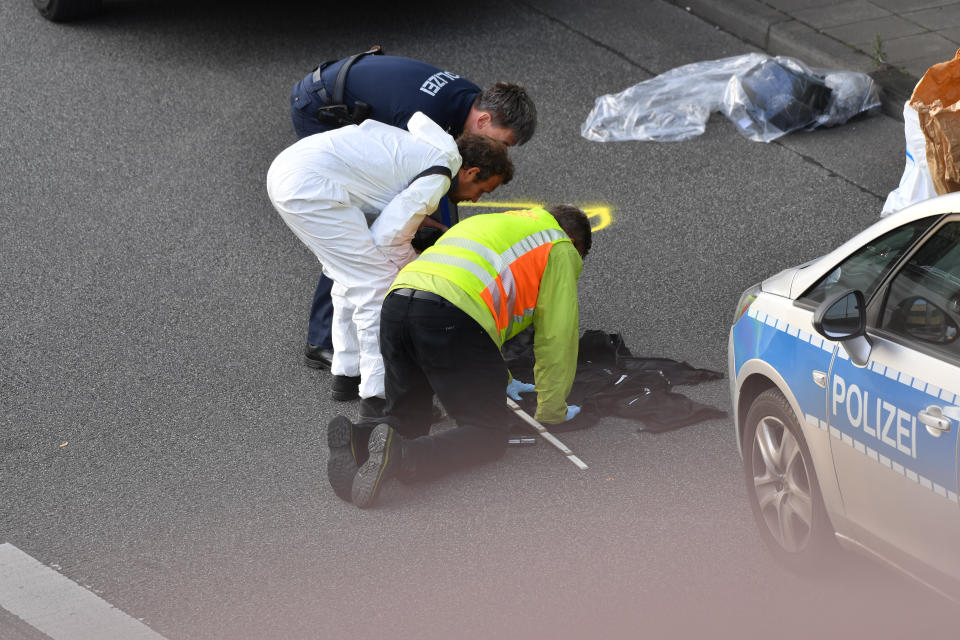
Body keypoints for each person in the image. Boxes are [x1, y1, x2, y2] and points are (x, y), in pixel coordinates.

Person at [325, 206, 591, 507]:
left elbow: (484, 296)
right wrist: (552, 410)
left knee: (409, 418)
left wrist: (501, 378)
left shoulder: (495, 223)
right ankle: (404, 458)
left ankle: (357, 439)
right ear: (574, 242)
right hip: (450, 315)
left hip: (397, 304)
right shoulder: (559, 246)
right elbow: (557, 336)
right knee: (488, 433)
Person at [289, 50, 537, 371]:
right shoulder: (426, 113)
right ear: (485, 120)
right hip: (319, 105)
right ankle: (323, 342)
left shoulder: (471, 104)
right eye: (503, 143)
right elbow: (404, 197)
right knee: (358, 234)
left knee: (426, 218)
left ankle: (439, 317)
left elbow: (439, 188)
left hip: (355, 91)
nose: (500, 152)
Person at [267, 113, 514, 421]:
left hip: (291, 172)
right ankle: (380, 396)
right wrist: (417, 271)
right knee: (379, 284)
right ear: (471, 171)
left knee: (349, 275)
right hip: (310, 188)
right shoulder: (440, 175)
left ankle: (347, 373)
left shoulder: (435, 151)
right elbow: (388, 238)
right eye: (482, 190)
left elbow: (388, 209)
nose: (476, 200)